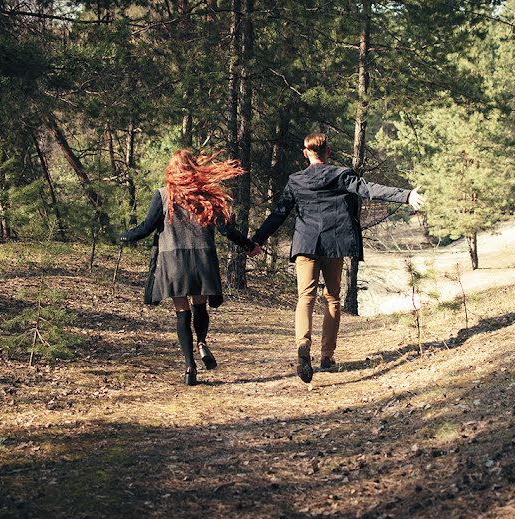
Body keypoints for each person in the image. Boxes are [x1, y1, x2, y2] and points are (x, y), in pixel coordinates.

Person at [249, 132, 422, 383]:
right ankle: (327, 357)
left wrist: (257, 240)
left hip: (305, 244)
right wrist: (405, 195)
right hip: (334, 244)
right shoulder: (341, 175)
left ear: (305, 153)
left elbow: (278, 214)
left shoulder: (296, 180)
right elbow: (369, 189)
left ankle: (302, 344)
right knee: (332, 299)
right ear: (328, 152)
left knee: (305, 297)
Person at [119, 149, 260, 385]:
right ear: (194, 169)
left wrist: (123, 237)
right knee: (200, 305)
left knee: (182, 312)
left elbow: (145, 228)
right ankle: (202, 342)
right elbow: (226, 230)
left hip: (174, 261)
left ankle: (189, 366)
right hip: (202, 259)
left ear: (172, 170)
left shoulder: (164, 195)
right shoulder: (207, 197)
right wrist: (248, 245)